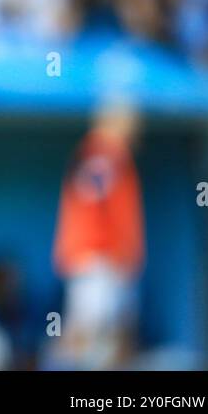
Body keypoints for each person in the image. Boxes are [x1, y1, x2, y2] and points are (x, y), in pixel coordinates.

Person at [51, 100, 146, 369]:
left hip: (108, 261)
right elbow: (95, 211)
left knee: (111, 338)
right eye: (129, 124)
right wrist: (115, 254)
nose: (134, 131)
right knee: (83, 333)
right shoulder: (101, 155)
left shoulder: (113, 156)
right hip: (96, 258)